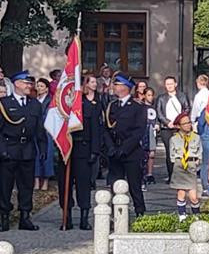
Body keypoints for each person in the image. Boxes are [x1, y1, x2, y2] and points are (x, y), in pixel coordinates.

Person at [56, 73, 102, 230]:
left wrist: (94, 151)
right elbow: (58, 127)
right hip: (67, 150)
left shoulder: (90, 106)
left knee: (84, 185)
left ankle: (84, 217)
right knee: (64, 185)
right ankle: (66, 217)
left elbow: (96, 129)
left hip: (84, 149)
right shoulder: (65, 106)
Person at [0, 71, 45, 230]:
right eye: (26, 83)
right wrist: (2, 149)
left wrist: (42, 148)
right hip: (9, 149)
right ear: (17, 84)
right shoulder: (4, 103)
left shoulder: (35, 105)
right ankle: (4, 217)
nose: (29, 86)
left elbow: (40, 130)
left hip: (27, 150)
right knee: (5, 186)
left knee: (26, 186)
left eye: (30, 83)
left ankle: (25, 217)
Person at [102, 73, 147, 217]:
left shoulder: (137, 107)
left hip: (131, 152)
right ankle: (117, 214)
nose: (114, 87)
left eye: (117, 84)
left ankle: (140, 212)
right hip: (114, 151)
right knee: (115, 185)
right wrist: (111, 147)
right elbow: (107, 129)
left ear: (125, 87)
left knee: (134, 185)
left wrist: (124, 149)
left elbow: (138, 132)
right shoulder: (112, 105)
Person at [156, 76, 191, 184]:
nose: (169, 86)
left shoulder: (182, 96)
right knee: (170, 152)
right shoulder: (161, 98)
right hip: (166, 129)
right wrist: (167, 122)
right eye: (167, 84)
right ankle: (172, 176)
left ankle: (182, 175)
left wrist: (180, 121)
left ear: (175, 84)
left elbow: (187, 108)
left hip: (179, 128)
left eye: (171, 84)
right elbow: (159, 112)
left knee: (181, 152)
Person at [168, 112, 202, 221]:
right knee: (181, 193)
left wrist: (197, 162)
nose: (188, 125)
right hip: (180, 166)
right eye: (185, 123)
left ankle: (196, 216)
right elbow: (172, 155)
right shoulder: (174, 139)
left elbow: (199, 152)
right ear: (179, 126)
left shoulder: (196, 137)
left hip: (191, 166)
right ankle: (182, 216)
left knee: (193, 196)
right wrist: (177, 162)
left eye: (189, 122)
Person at [190, 74, 209, 197]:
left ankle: (206, 186)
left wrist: (192, 121)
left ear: (198, 83)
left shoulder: (199, 96)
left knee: (206, 159)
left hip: (203, 125)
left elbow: (195, 112)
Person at [33, 78, 54, 192]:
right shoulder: (34, 100)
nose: (39, 88)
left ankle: (45, 180)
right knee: (35, 154)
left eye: (42, 86)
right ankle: (36, 180)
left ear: (46, 89)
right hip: (35, 131)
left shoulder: (50, 101)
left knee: (47, 155)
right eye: (38, 86)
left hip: (46, 131)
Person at [143, 87, 158, 185]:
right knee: (144, 153)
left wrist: (158, 125)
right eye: (148, 95)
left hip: (152, 131)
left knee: (152, 153)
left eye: (152, 95)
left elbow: (157, 118)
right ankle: (143, 173)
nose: (150, 97)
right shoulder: (141, 107)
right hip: (144, 131)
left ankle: (150, 173)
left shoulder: (154, 108)